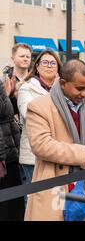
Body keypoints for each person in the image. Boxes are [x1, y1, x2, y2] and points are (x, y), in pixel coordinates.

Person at [23, 60, 85, 221]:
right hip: (55, 184)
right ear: (63, 83)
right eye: (79, 88)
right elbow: (41, 145)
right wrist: (83, 155)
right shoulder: (39, 107)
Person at [17, 50, 62, 186]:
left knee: (56, 200)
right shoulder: (27, 88)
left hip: (59, 153)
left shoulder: (63, 89)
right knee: (34, 201)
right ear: (37, 66)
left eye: (53, 63)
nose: (49, 66)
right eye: (45, 62)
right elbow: (30, 116)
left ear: (58, 68)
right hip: (33, 156)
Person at [0, 79, 25, 221]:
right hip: (4, 154)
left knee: (14, 202)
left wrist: (10, 96)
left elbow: (9, 112)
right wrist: (7, 93)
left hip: (10, 150)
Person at [2, 43, 32, 116]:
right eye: (22, 56)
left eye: (28, 57)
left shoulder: (35, 81)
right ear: (13, 58)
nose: (25, 59)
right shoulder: (3, 81)